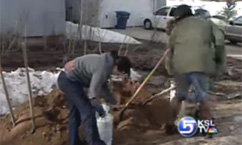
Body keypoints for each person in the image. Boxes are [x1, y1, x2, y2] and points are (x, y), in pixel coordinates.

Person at [165, 5, 226, 135]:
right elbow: (220, 41)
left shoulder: (177, 28)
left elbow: (170, 50)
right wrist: (219, 63)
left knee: (179, 96)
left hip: (180, 65)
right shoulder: (207, 24)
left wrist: (170, 68)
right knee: (203, 96)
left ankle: (169, 126)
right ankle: (207, 128)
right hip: (201, 64)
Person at [57, 51, 132, 145]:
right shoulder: (103, 68)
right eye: (120, 73)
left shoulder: (106, 63)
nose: (119, 75)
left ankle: (74, 142)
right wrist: (98, 107)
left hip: (69, 79)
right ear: (116, 67)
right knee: (88, 111)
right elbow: (93, 92)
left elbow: (103, 87)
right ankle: (95, 142)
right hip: (69, 81)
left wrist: (115, 102)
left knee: (75, 113)